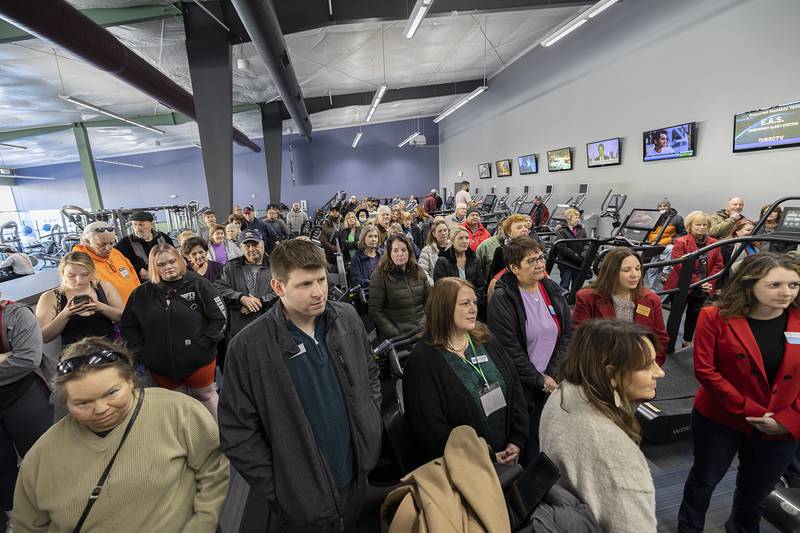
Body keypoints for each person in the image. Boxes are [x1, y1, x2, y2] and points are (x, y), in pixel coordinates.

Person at [218, 239, 382, 532]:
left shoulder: (346, 318)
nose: (319, 292)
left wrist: (370, 427)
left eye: (321, 280)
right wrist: (280, 488)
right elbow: (238, 432)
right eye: (305, 284)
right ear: (278, 287)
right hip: (302, 499)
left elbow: (369, 376)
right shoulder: (248, 348)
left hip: (356, 474)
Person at [13, 337, 229, 532]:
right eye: (83, 403)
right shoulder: (41, 459)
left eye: (111, 393)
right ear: (64, 402)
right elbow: (30, 525)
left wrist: (203, 524)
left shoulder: (179, 412)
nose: (100, 409)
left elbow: (213, 467)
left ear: (131, 381)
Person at [678, 253, 800, 532]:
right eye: (775, 285)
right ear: (750, 283)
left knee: (755, 491)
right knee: (703, 481)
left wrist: (786, 420)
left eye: (794, 285)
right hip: (720, 419)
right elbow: (706, 372)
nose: (786, 293)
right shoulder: (714, 317)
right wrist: (756, 412)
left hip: (782, 425)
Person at [540, 320, 663, 533]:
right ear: (611, 375)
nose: (659, 372)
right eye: (646, 365)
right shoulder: (613, 447)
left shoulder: (562, 394)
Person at [403, 277, 528, 468]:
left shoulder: (485, 339)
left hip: (509, 455)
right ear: (443, 308)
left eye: (475, 302)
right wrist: (485, 455)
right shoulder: (423, 360)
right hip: (466, 467)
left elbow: (514, 386)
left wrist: (517, 440)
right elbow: (429, 429)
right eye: (465, 303)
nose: (473, 309)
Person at [488, 236, 573, 465]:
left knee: (549, 438)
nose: (539, 264)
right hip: (522, 386)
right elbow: (508, 349)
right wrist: (538, 379)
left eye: (541, 258)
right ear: (514, 267)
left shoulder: (551, 289)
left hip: (551, 380)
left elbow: (567, 332)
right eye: (531, 261)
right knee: (526, 443)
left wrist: (552, 374)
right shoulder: (503, 298)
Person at [120, 244, 225, 418]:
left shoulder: (199, 284)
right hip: (162, 365)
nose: (168, 267)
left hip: (199, 360)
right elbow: (129, 326)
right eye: (161, 264)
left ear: (180, 260)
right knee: (177, 404)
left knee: (206, 396)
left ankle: (222, 438)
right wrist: (143, 352)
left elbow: (220, 317)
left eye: (172, 261)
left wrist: (204, 343)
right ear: (153, 266)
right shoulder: (140, 294)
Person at [0, 295, 52, 529]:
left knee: (42, 459)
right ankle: (16, 519)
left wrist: (12, 357)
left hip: (23, 396)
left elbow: (28, 358)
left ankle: (56, 510)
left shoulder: (17, 314)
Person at [573, 247, 669, 365]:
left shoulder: (651, 300)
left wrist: (648, 368)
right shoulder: (587, 298)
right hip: (601, 367)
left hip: (640, 366)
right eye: (626, 270)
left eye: (638, 269)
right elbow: (581, 340)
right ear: (611, 272)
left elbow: (660, 340)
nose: (635, 275)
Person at [36, 251, 124, 346]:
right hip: (74, 355)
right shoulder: (50, 297)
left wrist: (101, 307)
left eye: (84, 275)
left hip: (110, 350)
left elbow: (123, 318)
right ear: (63, 274)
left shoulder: (104, 287)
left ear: (92, 273)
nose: (78, 280)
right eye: (72, 275)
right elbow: (44, 337)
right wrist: (65, 314)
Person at [664, 210, 724, 347]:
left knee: (693, 316)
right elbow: (680, 265)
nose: (701, 227)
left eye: (704, 225)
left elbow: (718, 264)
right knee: (675, 315)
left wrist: (708, 282)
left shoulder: (714, 242)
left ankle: (687, 341)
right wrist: (699, 282)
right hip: (682, 285)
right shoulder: (681, 242)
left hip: (703, 286)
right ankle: (668, 343)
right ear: (690, 226)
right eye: (698, 225)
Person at [215, 230, 275, 340]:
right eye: (247, 246)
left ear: (263, 243)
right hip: (239, 329)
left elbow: (284, 292)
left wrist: (261, 302)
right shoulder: (231, 266)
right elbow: (219, 289)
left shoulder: (276, 265)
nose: (251, 249)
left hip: (268, 326)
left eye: (255, 244)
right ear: (240, 248)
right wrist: (241, 298)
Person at [369, 234, 429, 341]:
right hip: (400, 337)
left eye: (403, 250)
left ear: (409, 251)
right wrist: (396, 334)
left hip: (423, 330)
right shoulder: (380, 276)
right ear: (389, 253)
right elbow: (375, 311)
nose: (400, 254)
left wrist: (428, 323)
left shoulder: (418, 270)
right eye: (395, 250)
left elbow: (429, 301)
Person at [73, 221, 140, 303]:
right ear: (86, 242)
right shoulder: (78, 264)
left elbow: (133, 276)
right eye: (101, 244)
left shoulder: (115, 253)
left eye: (111, 243)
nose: (108, 248)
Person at [115, 210, 174, 281]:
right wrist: (138, 269)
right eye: (135, 225)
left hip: (167, 276)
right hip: (143, 282)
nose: (138, 228)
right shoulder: (125, 243)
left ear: (151, 225)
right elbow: (120, 261)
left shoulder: (163, 237)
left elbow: (174, 255)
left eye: (141, 224)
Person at [434, 226, 486, 307]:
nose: (465, 241)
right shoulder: (443, 261)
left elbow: (480, 286)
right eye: (460, 238)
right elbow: (440, 289)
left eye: (467, 238)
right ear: (452, 241)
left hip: (473, 304)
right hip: (451, 306)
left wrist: (473, 302)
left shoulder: (475, 260)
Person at [644, 198, 686, 288]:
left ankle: (666, 272)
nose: (662, 208)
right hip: (653, 244)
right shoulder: (653, 218)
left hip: (667, 243)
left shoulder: (677, 218)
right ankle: (652, 288)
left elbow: (682, 233)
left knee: (671, 249)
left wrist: (671, 240)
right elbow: (647, 232)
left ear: (669, 207)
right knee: (652, 267)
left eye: (665, 206)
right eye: (660, 206)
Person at [484, 214, 531, 283]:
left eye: (526, 227)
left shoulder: (532, 249)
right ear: (509, 232)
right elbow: (495, 278)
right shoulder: (501, 252)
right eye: (519, 227)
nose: (524, 229)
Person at [554, 207, 588, 293]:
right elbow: (562, 247)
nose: (578, 220)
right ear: (569, 219)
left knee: (577, 285)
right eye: (575, 217)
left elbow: (587, 243)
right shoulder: (561, 231)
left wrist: (583, 255)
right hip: (566, 263)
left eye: (578, 218)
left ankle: (575, 302)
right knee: (565, 285)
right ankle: (563, 304)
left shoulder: (582, 229)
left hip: (578, 263)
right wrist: (575, 256)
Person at [349, 224, 381, 289]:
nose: (373, 239)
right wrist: (375, 283)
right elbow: (356, 281)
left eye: (375, 236)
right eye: (370, 236)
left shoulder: (383, 255)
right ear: (363, 238)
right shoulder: (356, 259)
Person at [419, 220, 450, 286]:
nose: (443, 233)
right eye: (440, 231)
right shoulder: (427, 250)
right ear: (434, 234)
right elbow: (422, 271)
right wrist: (434, 285)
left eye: (445, 230)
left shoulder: (454, 247)